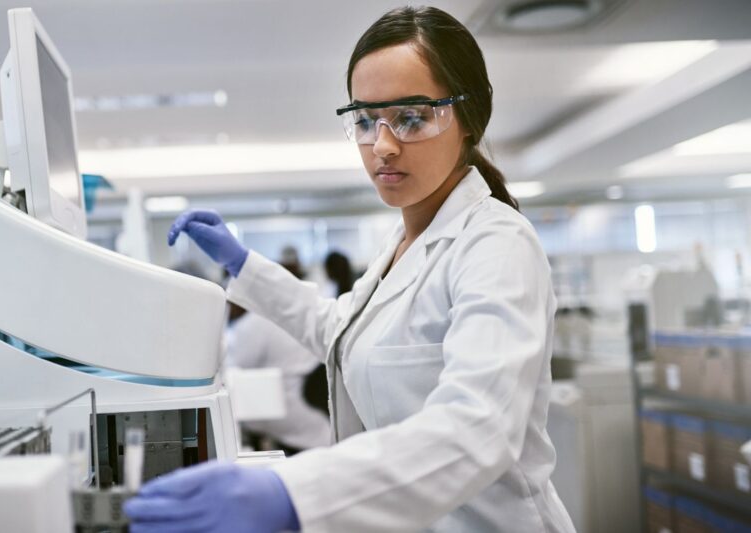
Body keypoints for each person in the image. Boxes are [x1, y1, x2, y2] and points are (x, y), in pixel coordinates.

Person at [125, 6, 575, 533]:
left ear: (469, 117)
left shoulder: (497, 245)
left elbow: (479, 427)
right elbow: (337, 331)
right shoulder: (403, 243)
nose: (382, 145)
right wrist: (242, 264)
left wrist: (293, 494)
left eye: (412, 116)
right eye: (365, 120)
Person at [226, 301, 331, 455]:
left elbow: (234, 368)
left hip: (289, 405)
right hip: (309, 403)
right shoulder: (272, 315)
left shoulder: (253, 324)